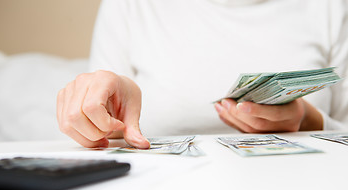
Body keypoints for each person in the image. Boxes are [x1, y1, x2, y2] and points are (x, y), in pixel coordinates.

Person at [57, 0, 348, 148]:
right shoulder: (132, 5)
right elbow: (102, 133)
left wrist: (309, 121)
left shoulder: (330, 7)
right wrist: (103, 115)